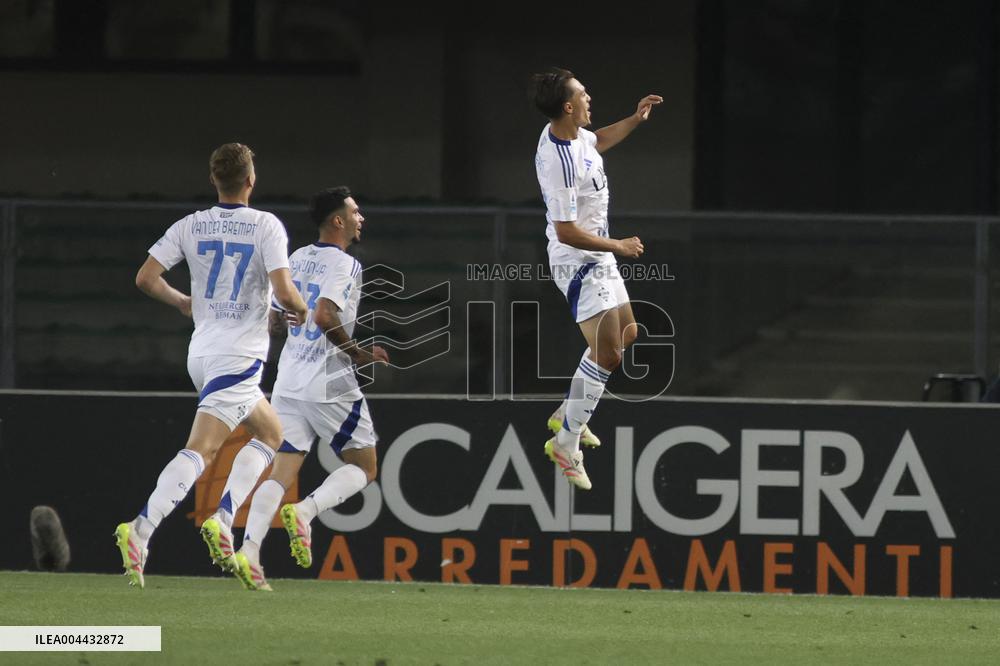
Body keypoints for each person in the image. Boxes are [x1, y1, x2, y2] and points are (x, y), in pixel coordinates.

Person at [114, 143, 308, 589]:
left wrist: (184, 301)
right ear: (251, 180)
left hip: (202, 353)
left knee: (271, 432)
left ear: (214, 180)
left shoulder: (191, 224)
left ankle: (223, 518)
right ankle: (141, 529)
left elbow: (145, 277)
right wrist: (299, 310)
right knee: (202, 450)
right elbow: (286, 290)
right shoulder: (266, 227)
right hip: (237, 357)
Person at [210, 186, 388, 591]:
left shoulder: (295, 259)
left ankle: (251, 552)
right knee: (365, 466)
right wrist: (359, 353)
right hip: (328, 382)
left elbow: (274, 321)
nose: (361, 218)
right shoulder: (345, 264)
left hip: (289, 380)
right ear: (338, 221)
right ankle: (306, 512)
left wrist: (290, 324)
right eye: (355, 212)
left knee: (283, 469)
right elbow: (326, 316)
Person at [531, 68, 662, 490]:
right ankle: (566, 443)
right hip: (579, 261)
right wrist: (619, 246)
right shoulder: (559, 162)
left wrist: (635, 119)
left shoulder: (576, 136)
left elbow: (599, 139)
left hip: (596, 253)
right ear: (568, 106)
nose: (590, 99)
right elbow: (566, 230)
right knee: (608, 355)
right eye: (583, 95)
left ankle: (568, 412)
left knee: (628, 333)